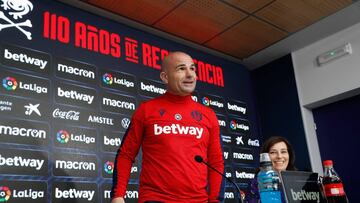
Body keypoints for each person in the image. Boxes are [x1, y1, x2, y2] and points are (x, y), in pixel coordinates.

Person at [111, 52, 224, 203]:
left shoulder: (209, 115)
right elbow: (126, 154)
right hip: (155, 199)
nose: (190, 75)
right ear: (165, 77)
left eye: (192, 69)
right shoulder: (146, 110)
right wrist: (118, 195)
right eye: (181, 69)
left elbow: (216, 162)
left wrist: (216, 200)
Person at [245, 136, 296, 203]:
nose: (279, 156)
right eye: (273, 152)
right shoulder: (256, 184)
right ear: (265, 157)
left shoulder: (298, 181)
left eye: (283, 152)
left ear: (289, 155)